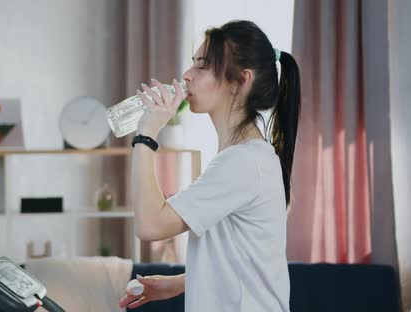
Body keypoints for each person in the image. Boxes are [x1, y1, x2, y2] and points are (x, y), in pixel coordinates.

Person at [119, 20, 301, 311]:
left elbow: (150, 225)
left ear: (240, 81)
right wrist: (177, 283)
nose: (187, 75)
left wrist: (146, 135)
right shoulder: (246, 157)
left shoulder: (243, 161)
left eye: (202, 67)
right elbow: (241, 259)